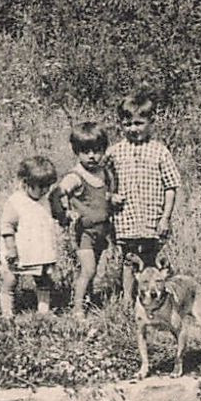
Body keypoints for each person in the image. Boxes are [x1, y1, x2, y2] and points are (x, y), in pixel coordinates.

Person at [107, 90, 183, 304]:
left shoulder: (159, 151)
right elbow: (100, 180)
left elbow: (171, 185)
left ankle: (153, 300)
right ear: (121, 124)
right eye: (128, 124)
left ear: (151, 122)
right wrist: (110, 196)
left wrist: (165, 218)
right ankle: (126, 301)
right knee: (129, 260)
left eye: (139, 123)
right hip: (126, 219)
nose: (133, 129)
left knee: (151, 261)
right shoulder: (114, 152)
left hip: (151, 219)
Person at [56, 123, 122, 318]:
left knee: (95, 268)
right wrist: (65, 213)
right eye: (86, 151)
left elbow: (102, 197)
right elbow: (57, 194)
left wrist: (112, 198)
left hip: (101, 229)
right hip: (84, 231)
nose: (92, 156)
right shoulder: (76, 176)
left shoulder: (102, 173)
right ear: (77, 152)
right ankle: (77, 309)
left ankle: (88, 298)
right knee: (88, 269)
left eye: (97, 150)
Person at [0, 155, 61, 320]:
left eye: (48, 186)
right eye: (40, 186)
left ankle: (43, 311)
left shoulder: (44, 200)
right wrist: (11, 248)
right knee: (10, 280)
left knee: (43, 279)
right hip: (19, 250)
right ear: (25, 183)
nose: (45, 190)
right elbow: (7, 226)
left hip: (39, 249)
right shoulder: (16, 202)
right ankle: (7, 313)